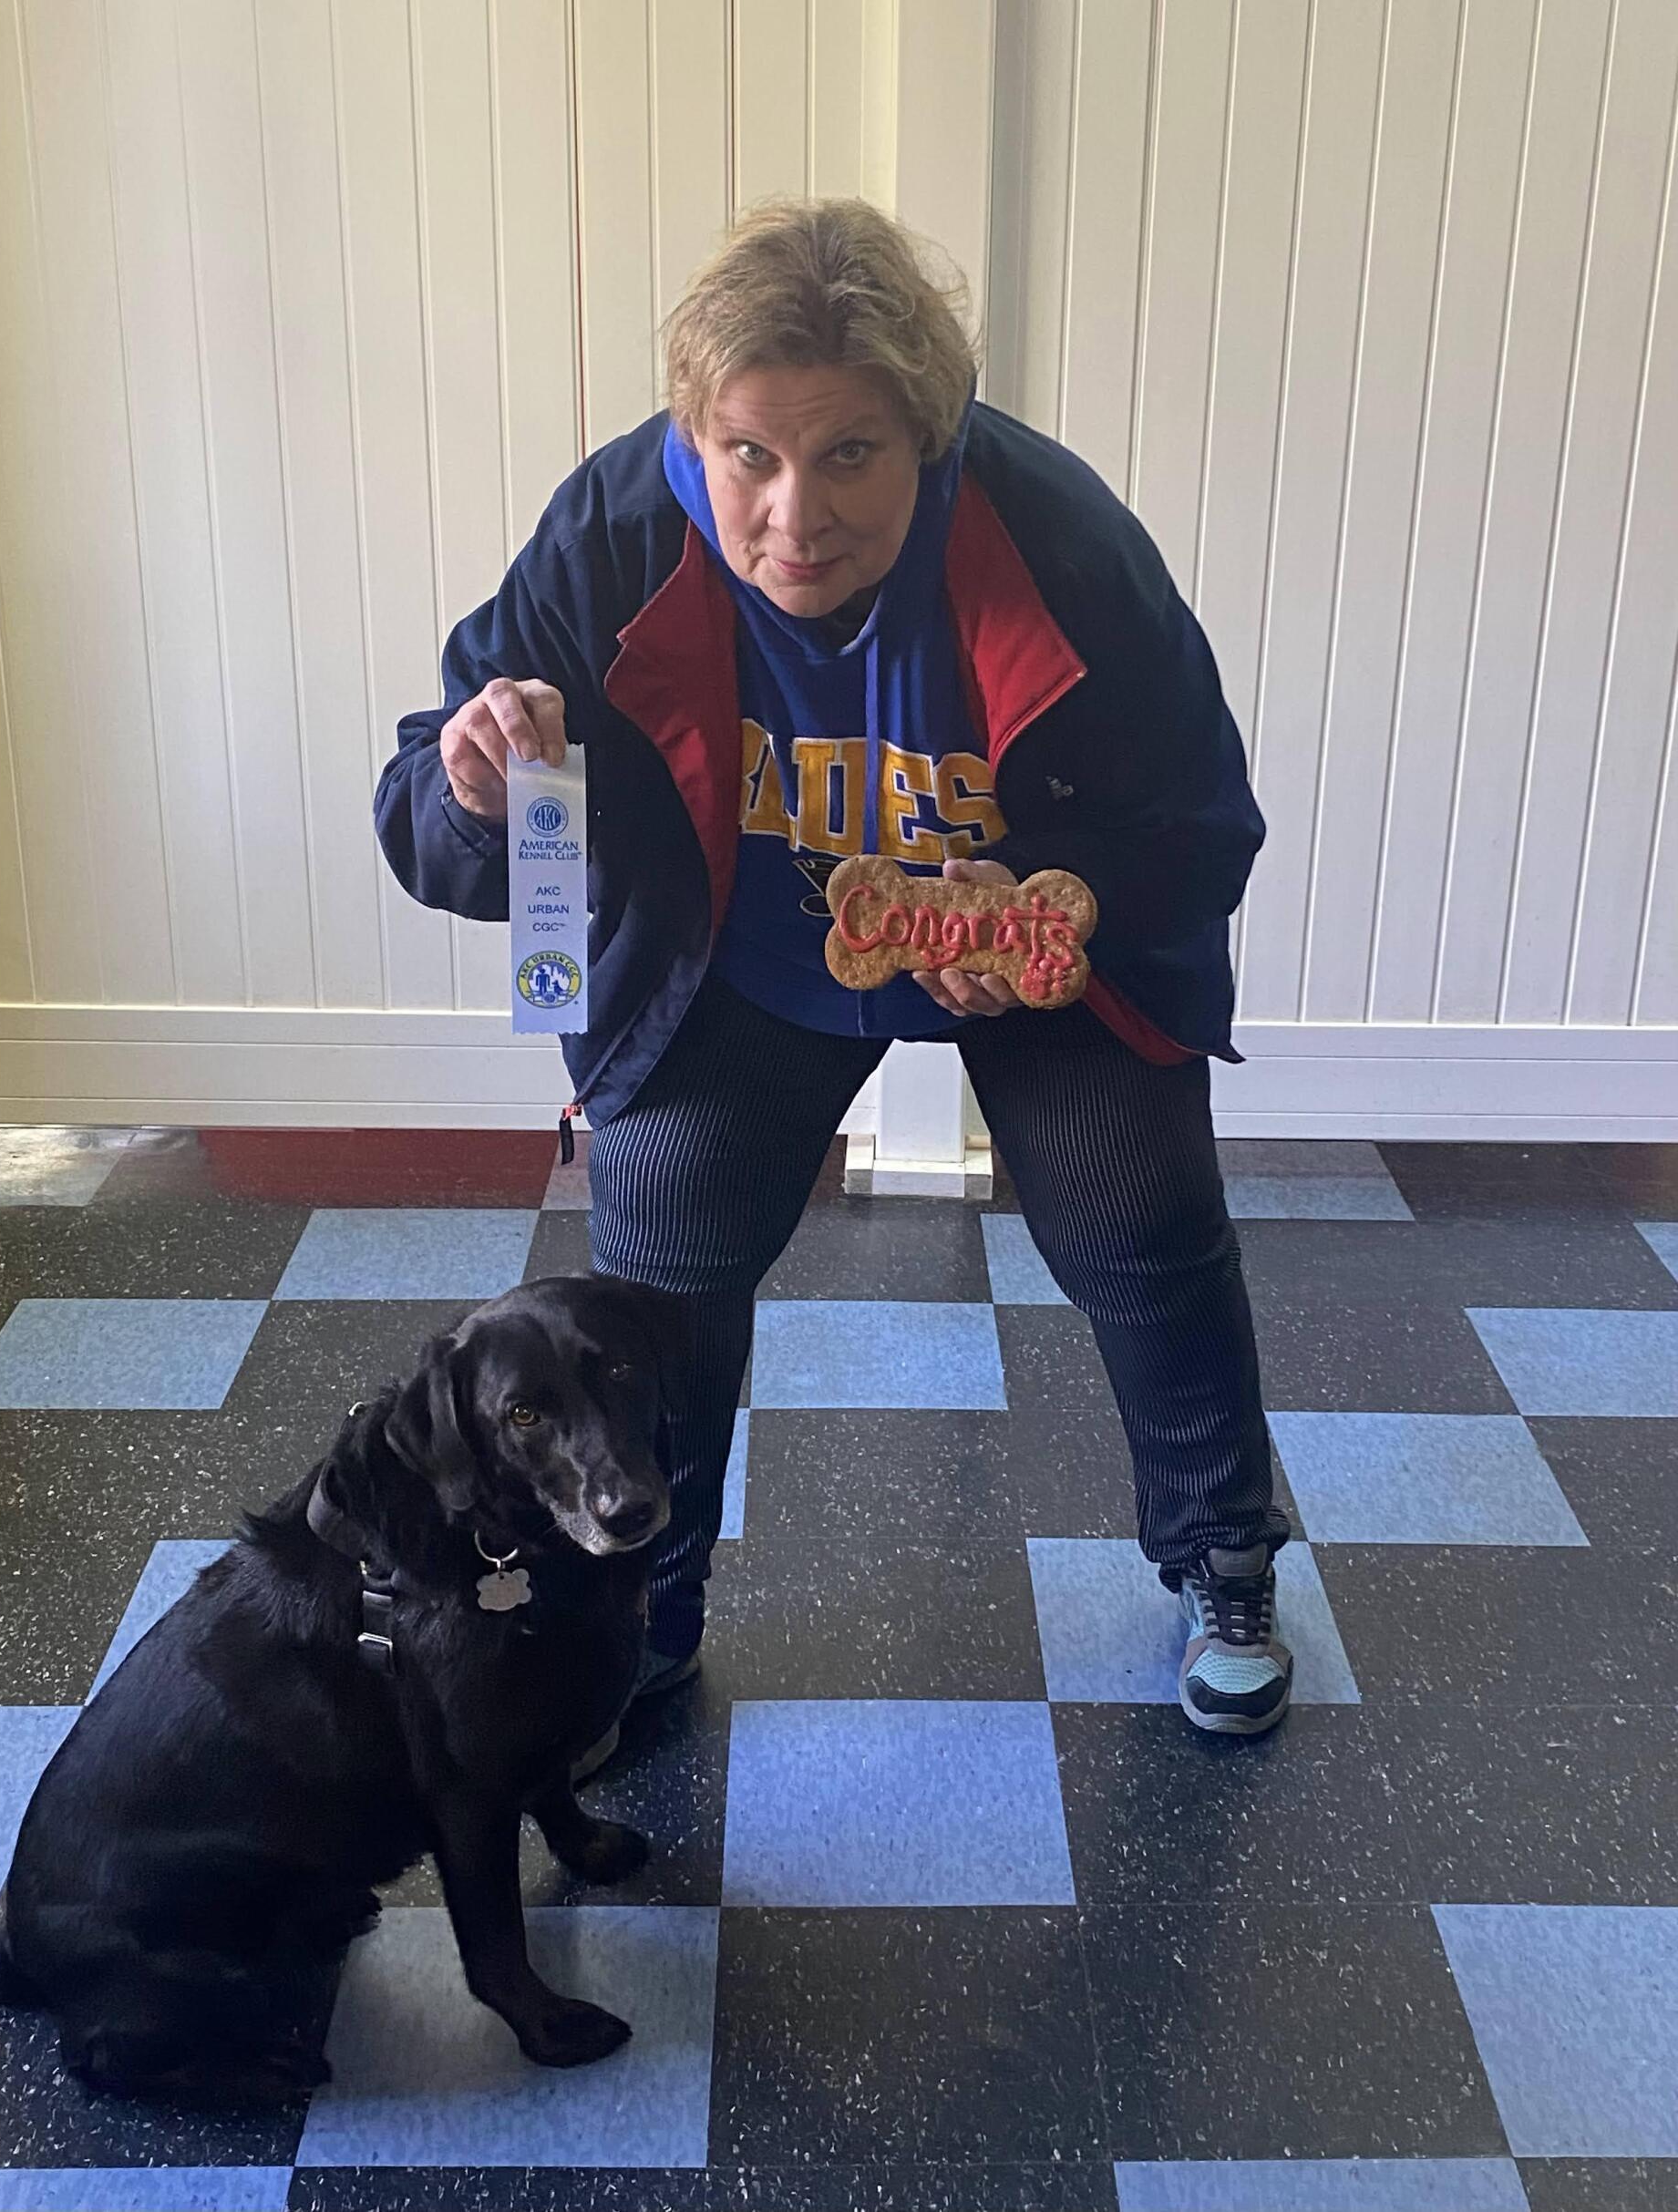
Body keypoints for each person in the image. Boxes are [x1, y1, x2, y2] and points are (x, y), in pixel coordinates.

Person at [376, 198, 1292, 1744]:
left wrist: (1061, 909)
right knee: (656, 1275)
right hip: (735, 954)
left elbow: (1202, 822)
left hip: (1034, 957)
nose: (795, 511)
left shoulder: (1059, 539)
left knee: (1144, 1229)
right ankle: (647, 1598)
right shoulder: (609, 534)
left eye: (850, 454)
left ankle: (1223, 1556)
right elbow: (440, 817)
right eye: (751, 454)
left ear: (927, 441)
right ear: (698, 435)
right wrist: (472, 786)